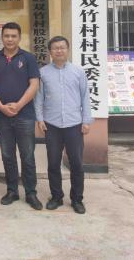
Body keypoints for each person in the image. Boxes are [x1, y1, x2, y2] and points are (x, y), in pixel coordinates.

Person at [35, 36, 94, 214]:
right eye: (55, 48)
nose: (59, 50)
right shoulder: (43, 73)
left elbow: (85, 97)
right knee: (53, 163)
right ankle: (56, 197)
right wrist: (40, 119)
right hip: (51, 125)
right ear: (50, 52)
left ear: (67, 50)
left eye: (62, 47)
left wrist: (86, 121)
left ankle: (77, 199)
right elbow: (38, 98)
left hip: (74, 124)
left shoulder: (78, 72)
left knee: (76, 164)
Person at [0, 22, 42, 210]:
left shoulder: (28, 58)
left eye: (13, 36)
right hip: (2, 116)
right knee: (7, 155)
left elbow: (34, 85)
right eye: (6, 36)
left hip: (25, 115)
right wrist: (1, 106)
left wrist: (18, 105)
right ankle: (12, 190)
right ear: (2, 37)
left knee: (27, 155)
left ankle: (31, 192)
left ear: (19, 37)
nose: (10, 39)